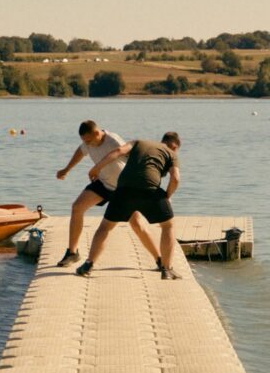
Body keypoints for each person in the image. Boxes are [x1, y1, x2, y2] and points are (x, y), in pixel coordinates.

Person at [76, 132, 182, 281]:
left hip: (123, 189)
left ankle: (88, 265)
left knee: (106, 226)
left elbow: (117, 152)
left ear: (162, 140)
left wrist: (96, 168)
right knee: (168, 225)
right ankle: (166, 269)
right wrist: (166, 197)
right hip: (150, 190)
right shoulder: (171, 154)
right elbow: (175, 179)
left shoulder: (139, 142)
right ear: (175, 147)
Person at [55, 120, 161, 268]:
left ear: (97, 133)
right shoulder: (88, 142)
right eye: (85, 142)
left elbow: (133, 159)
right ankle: (72, 253)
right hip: (104, 184)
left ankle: (159, 259)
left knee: (137, 224)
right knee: (77, 207)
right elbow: (80, 152)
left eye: (89, 141)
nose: (88, 144)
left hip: (124, 189)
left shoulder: (113, 141)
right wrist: (66, 169)